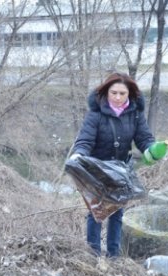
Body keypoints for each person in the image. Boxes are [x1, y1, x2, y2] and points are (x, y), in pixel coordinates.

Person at [68, 72, 157, 257]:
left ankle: (113, 255)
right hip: (96, 172)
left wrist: (151, 149)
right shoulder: (96, 114)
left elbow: (144, 138)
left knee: (117, 213)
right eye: (113, 92)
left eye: (122, 93)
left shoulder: (135, 115)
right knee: (96, 212)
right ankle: (93, 253)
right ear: (106, 92)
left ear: (130, 94)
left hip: (121, 172)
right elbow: (85, 140)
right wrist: (78, 155)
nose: (117, 97)